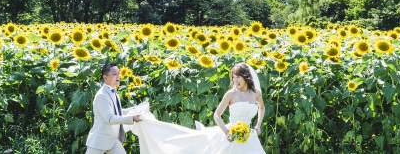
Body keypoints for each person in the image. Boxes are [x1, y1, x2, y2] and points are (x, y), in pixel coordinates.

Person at [131, 62, 266, 154]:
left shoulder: (256, 94)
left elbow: (261, 108)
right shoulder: (231, 94)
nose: (235, 81)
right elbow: (217, 115)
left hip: (250, 137)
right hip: (231, 136)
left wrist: (258, 125)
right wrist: (226, 133)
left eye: (238, 77)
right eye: (234, 77)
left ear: (246, 77)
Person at [86, 62, 143, 154]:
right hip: (99, 141)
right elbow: (109, 118)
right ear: (105, 77)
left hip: (112, 140)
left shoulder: (114, 91)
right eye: (114, 74)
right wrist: (131, 118)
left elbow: (117, 112)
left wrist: (133, 110)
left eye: (118, 73)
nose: (118, 76)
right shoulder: (102, 95)